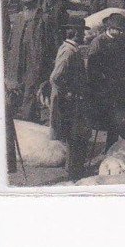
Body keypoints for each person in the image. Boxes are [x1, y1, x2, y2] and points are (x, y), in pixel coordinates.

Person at [85, 12, 125, 151]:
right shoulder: (98, 42)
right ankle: (108, 147)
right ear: (109, 28)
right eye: (119, 30)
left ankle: (116, 145)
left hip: (121, 85)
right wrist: (100, 84)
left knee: (121, 116)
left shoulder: (122, 41)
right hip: (105, 87)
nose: (121, 33)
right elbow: (92, 67)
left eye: (123, 30)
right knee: (108, 119)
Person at [48, 17, 91, 179]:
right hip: (69, 102)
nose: (83, 35)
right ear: (73, 33)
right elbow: (56, 77)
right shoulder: (68, 51)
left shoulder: (72, 49)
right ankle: (73, 173)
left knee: (77, 135)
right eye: (81, 32)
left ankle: (75, 170)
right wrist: (68, 92)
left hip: (74, 99)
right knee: (75, 136)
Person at [6, 0, 54, 122]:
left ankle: (27, 118)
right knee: (20, 90)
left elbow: (49, 44)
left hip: (33, 61)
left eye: (29, 4)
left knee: (30, 90)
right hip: (20, 60)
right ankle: (20, 117)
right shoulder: (20, 18)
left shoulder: (43, 19)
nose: (26, 7)